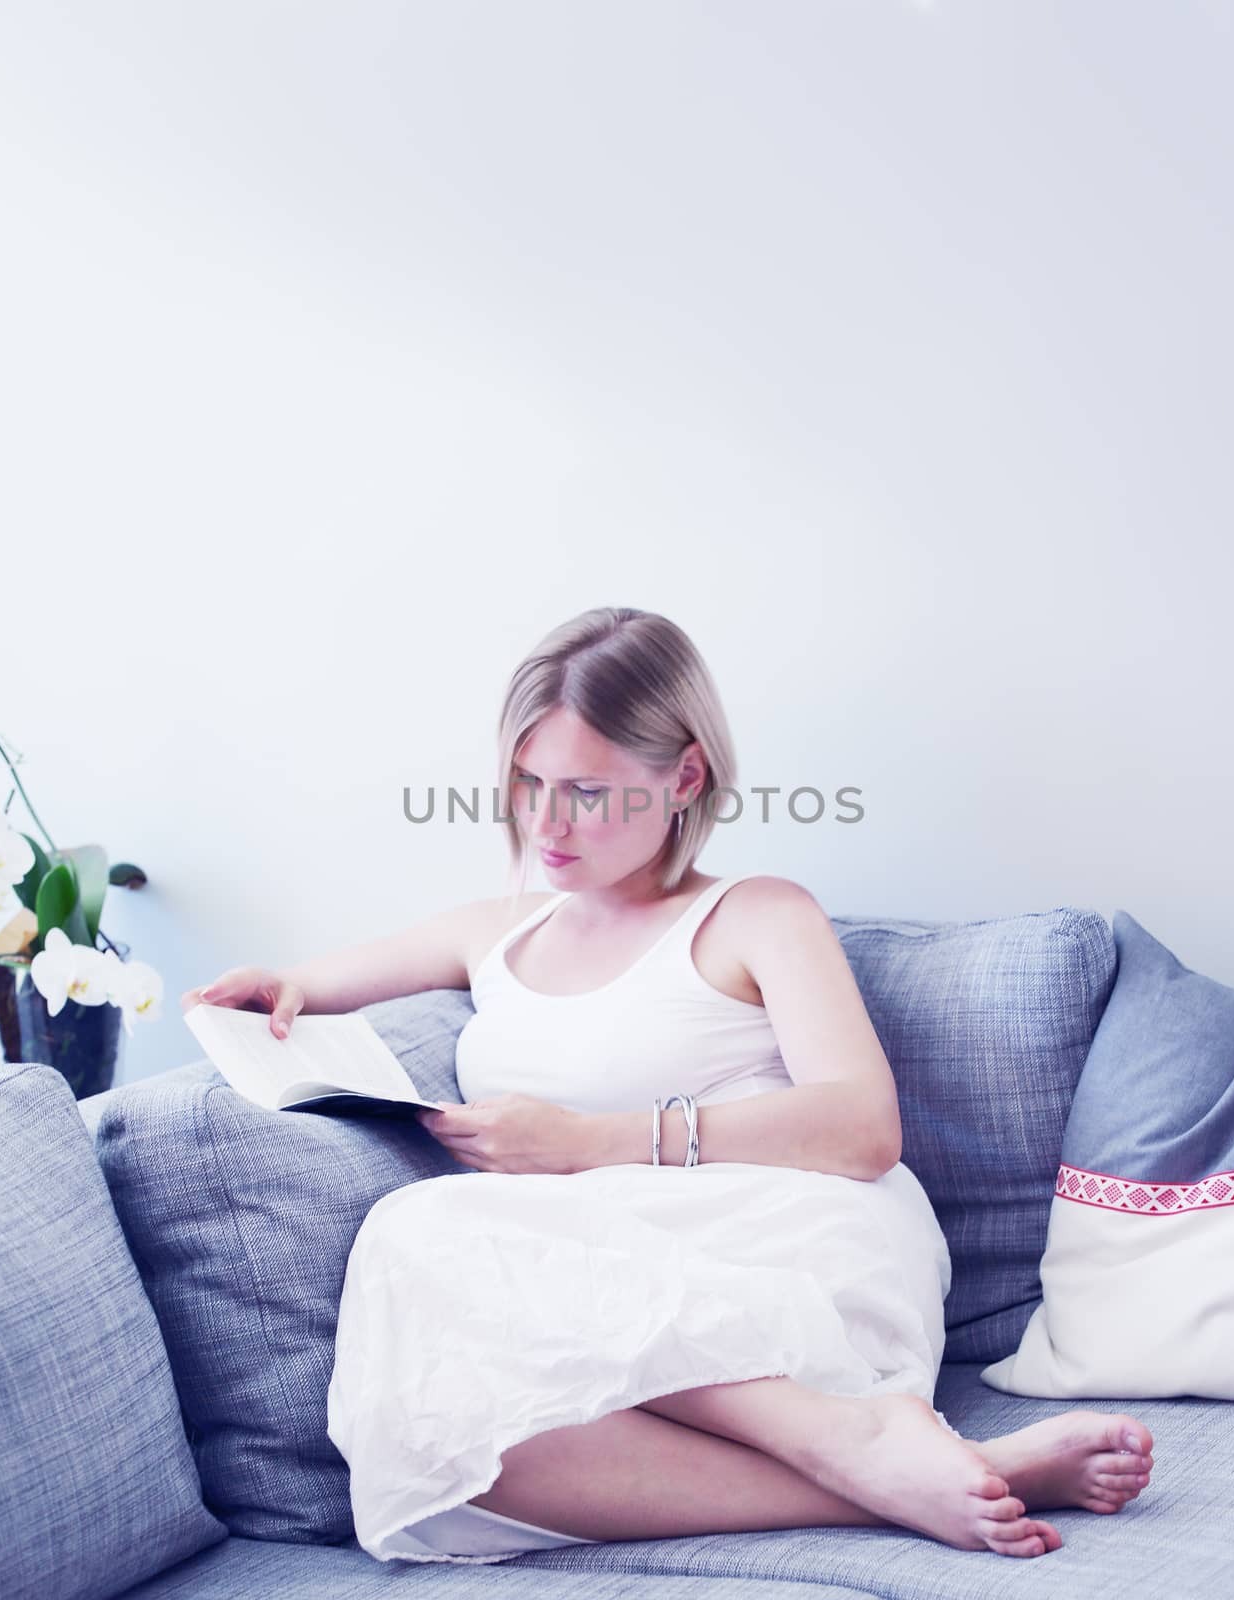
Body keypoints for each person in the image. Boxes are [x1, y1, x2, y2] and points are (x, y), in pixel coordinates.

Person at [183, 606, 1155, 1565]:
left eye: (587, 791)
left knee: (416, 1225)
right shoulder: (496, 930)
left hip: (776, 1251)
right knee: (443, 1454)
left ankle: (848, 1432)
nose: (545, 821)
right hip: (590, 1281)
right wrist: (288, 988)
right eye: (527, 782)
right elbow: (311, 985)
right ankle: (922, 1472)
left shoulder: (758, 915)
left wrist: (581, 1142)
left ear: (683, 775)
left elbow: (863, 1127)